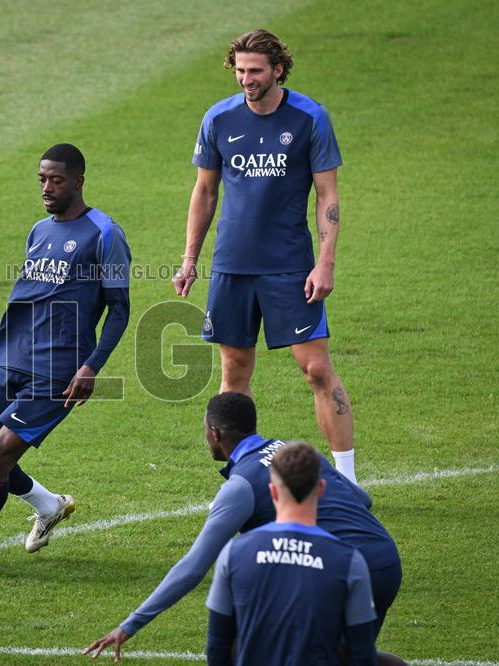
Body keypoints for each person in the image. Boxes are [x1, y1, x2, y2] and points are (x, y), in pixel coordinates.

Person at [0, 143, 131, 579]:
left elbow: (120, 308)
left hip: (58, 372)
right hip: (11, 362)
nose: (47, 187)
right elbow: (25, 303)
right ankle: (48, 505)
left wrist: (92, 365)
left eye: (56, 179)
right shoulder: (39, 230)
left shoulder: (105, 233)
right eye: (41, 178)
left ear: (78, 180)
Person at [84, 392, 402, 662]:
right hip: (385, 559)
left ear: (216, 434)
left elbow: (193, 567)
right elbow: (363, 499)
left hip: (333, 569)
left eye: (205, 430)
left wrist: (129, 625)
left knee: (256, 648)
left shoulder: (241, 486)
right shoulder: (294, 453)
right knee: (342, 656)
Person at [171, 29, 358, 484]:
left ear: (278, 69)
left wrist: (325, 261)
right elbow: (205, 191)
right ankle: (240, 477)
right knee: (233, 375)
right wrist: (190, 257)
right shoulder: (218, 118)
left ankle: (348, 479)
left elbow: (327, 195)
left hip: (291, 266)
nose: (246, 79)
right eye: (239, 70)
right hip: (232, 266)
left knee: (316, 369)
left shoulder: (310, 118)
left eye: (255, 70)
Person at [204, 442, 377, 665]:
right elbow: (362, 653)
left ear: (273, 491)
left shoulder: (234, 555)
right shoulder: (349, 562)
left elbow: (217, 644)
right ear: (322, 489)